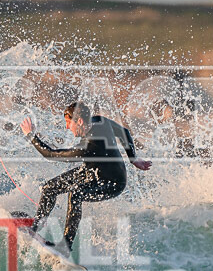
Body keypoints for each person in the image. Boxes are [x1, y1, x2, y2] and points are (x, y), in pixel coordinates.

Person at [20, 102, 152, 254]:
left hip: (113, 182)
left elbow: (51, 154)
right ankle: (35, 227)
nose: (67, 127)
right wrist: (133, 159)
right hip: (92, 171)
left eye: (69, 123)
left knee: (76, 194)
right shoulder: (98, 120)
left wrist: (31, 135)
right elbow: (124, 132)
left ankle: (65, 246)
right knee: (50, 187)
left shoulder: (88, 147)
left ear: (80, 121)